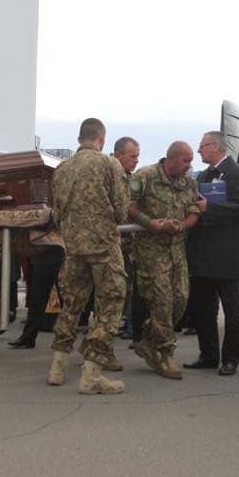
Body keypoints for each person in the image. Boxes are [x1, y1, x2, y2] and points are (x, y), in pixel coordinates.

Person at [47, 118, 129, 394]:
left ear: (79, 138)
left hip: (73, 248)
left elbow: (56, 213)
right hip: (104, 247)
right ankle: (92, 373)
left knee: (71, 305)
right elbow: (120, 210)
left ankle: (58, 367)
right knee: (110, 305)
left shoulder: (62, 168)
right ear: (101, 139)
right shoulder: (109, 164)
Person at [129, 141, 202, 380]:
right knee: (162, 301)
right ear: (171, 158)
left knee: (181, 298)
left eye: (191, 161)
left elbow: (194, 212)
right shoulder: (146, 176)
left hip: (177, 250)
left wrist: (180, 224)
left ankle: (147, 340)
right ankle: (166, 354)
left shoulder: (189, 182)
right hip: (152, 250)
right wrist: (150, 223)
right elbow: (127, 205)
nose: (189, 165)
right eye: (186, 161)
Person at [185, 131, 239, 376]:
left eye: (202, 146)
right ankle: (208, 354)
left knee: (231, 310)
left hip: (227, 253)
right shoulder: (203, 175)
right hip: (203, 253)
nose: (199, 150)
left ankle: (230, 359)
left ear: (215, 146)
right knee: (203, 307)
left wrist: (210, 207)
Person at [111, 137, 142, 341]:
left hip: (130, 245)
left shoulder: (133, 181)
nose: (136, 160)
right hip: (112, 244)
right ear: (118, 155)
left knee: (130, 288)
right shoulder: (109, 179)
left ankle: (129, 325)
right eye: (132, 156)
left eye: (138, 156)